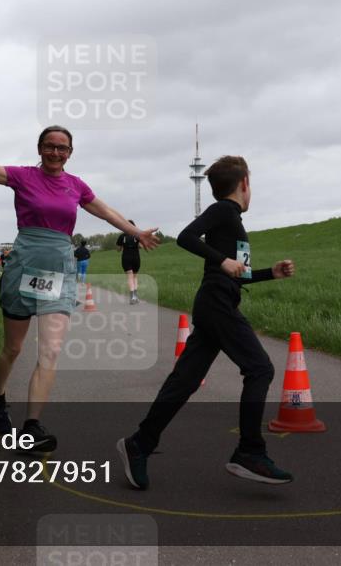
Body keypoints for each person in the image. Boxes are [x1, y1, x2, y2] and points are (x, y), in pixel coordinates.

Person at [0, 107, 158, 453]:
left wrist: (136, 231)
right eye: (50, 146)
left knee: (51, 350)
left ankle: (32, 428)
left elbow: (106, 212)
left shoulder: (76, 186)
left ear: (70, 153)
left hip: (59, 271)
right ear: (40, 149)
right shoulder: (22, 176)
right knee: (13, 348)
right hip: (24, 267)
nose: (56, 152)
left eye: (62, 148)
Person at [117, 156, 297, 489]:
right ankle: (249, 452)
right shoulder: (224, 210)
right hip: (216, 302)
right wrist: (222, 259)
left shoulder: (234, 222)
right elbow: (186, 237)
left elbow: (237, 274)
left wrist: (269, 274)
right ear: (244, 183)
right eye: (251, 183)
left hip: (218, 301)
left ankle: (139, 443)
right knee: (260, 369)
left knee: (184, 381)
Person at [116, 222, 142, 304]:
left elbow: (118, 249)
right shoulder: (137, 236)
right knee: (135, 277)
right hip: (136, 258)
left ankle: (132, 298)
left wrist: (122, 246)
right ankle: (135, 297)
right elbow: (140, 246)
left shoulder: (122, 236)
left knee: (130, 277)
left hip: (126, 258)